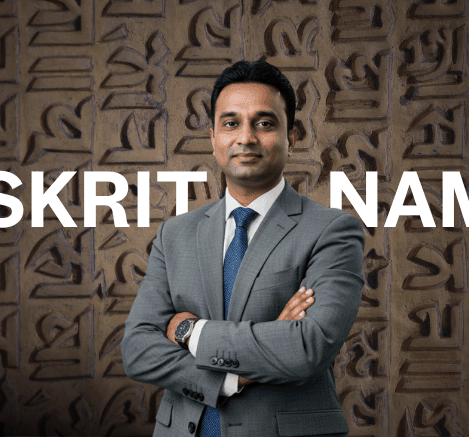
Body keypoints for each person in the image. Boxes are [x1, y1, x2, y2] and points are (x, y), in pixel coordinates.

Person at [121, 60, 365, 437]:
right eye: (231, 123)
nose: (246, 137)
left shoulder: (331, 231)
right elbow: (138, 350)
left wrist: (189, 331)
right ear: (213, 138)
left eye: (264, 123)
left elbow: (307, 348)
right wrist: (232, 378)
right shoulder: (175, 234)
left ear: (291, 137)